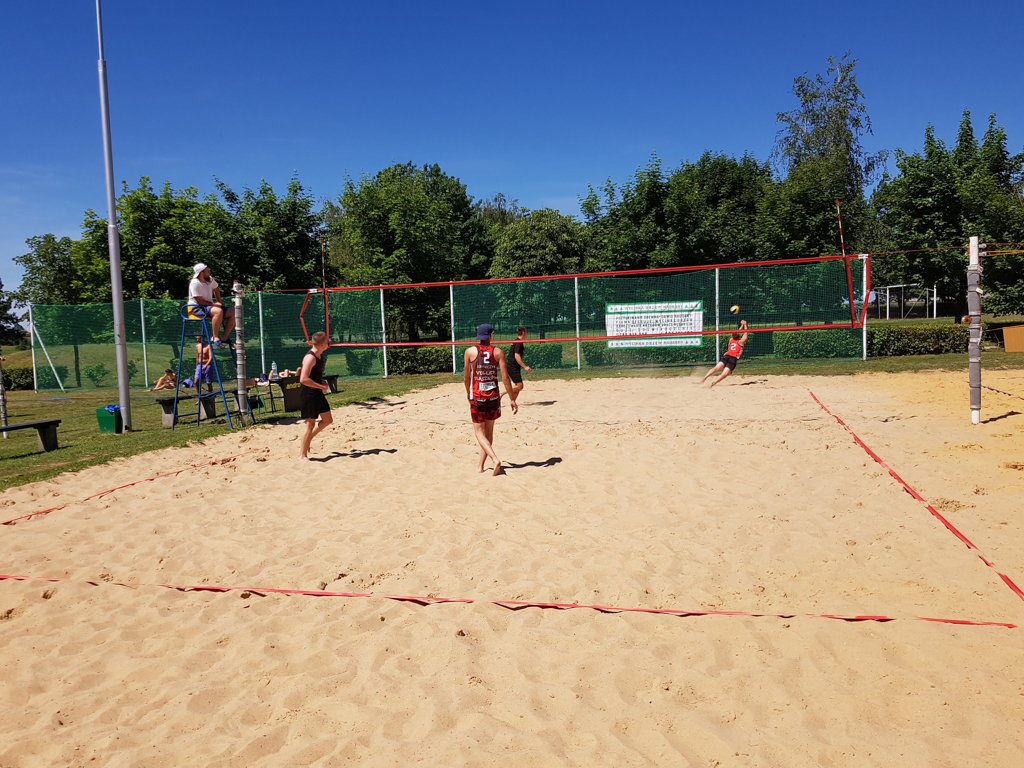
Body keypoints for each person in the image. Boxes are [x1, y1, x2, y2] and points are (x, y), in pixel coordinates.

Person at [464, 323, 517, 475]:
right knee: (489, 433)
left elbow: (466, 378)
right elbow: (505, 379)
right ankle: (480, 466)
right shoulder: (499, 352)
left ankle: (494, 459)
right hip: (493, 397)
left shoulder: (470, 352)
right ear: (491, 335)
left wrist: (468, 393)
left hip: (478, 397)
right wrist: (512, 399)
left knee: (479, 434)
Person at [298, 331, 333, 460]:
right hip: (309, 394)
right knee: (310, 424)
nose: (329, 345)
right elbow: (303, 379)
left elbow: (313, 376)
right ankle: (302, 455)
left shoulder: (319, 355)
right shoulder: (311, 357)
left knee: (328, 420)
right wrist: (321, 386)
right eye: (327, 342)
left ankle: (309, 437)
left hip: (317, 392)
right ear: (323, 344)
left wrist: (321, 382)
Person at [188, 263, 235, 348]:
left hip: (210, 306)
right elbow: (200, 301)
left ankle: (225, 337)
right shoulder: (195, 283)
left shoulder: (209, 280)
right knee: (218, 311)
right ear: (202, 273)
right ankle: (215, 337)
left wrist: (219, 301)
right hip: (198, 308)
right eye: (207, 271)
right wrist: (214, 304)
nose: (209, 272)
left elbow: (216, 289)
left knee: (233, 312)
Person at [700, 320, 748, 387]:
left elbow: (737, 333)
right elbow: (745, 334)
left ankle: (703, 379)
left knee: (715, 369)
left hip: (727, 356)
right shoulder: (741, 342)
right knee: (724, 374)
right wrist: (745, 325)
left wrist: (742, 325)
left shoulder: (731, 340)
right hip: (733, 359)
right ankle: (713, 383)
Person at [502, 326, 533, 401]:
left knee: (518, 386)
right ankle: (502, 393)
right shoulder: (519, 342)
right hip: (512, 367)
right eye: (526, 332)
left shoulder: (516, 341)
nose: (527, 334)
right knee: (520, 386)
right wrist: (525, 367)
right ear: (523, 333)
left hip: (514, 366)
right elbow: (517, 356)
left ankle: (513, 401)